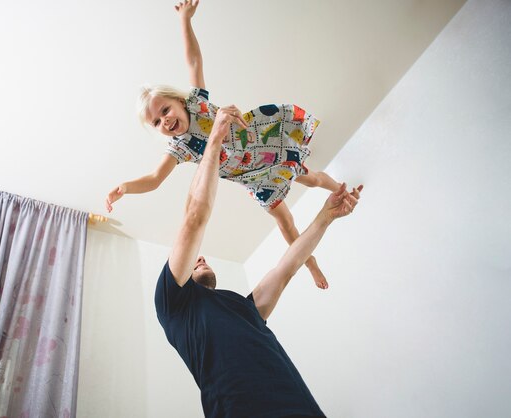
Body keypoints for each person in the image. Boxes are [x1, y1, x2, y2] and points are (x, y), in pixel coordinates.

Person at [106, 0, 342, 290]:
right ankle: (311, 264)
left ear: (179, 102)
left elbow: (193, 61)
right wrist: (126, 187)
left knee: (312, 178)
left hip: (264, 146)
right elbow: (155, 179)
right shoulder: (181, 148)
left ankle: (340, 190)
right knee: (284, 221)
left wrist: (185, 21)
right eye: (155, 122)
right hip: (252, 177)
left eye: (165, 111)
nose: (164, 122)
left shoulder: (199, 104)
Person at [154, 93, 363, 416]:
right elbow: (195, 216)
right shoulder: (173, 304)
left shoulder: (243, 308)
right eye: (195, 261)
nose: (200, 258)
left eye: (201, 258)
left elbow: (288, 265)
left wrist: (325, 216)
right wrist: (215, 139)